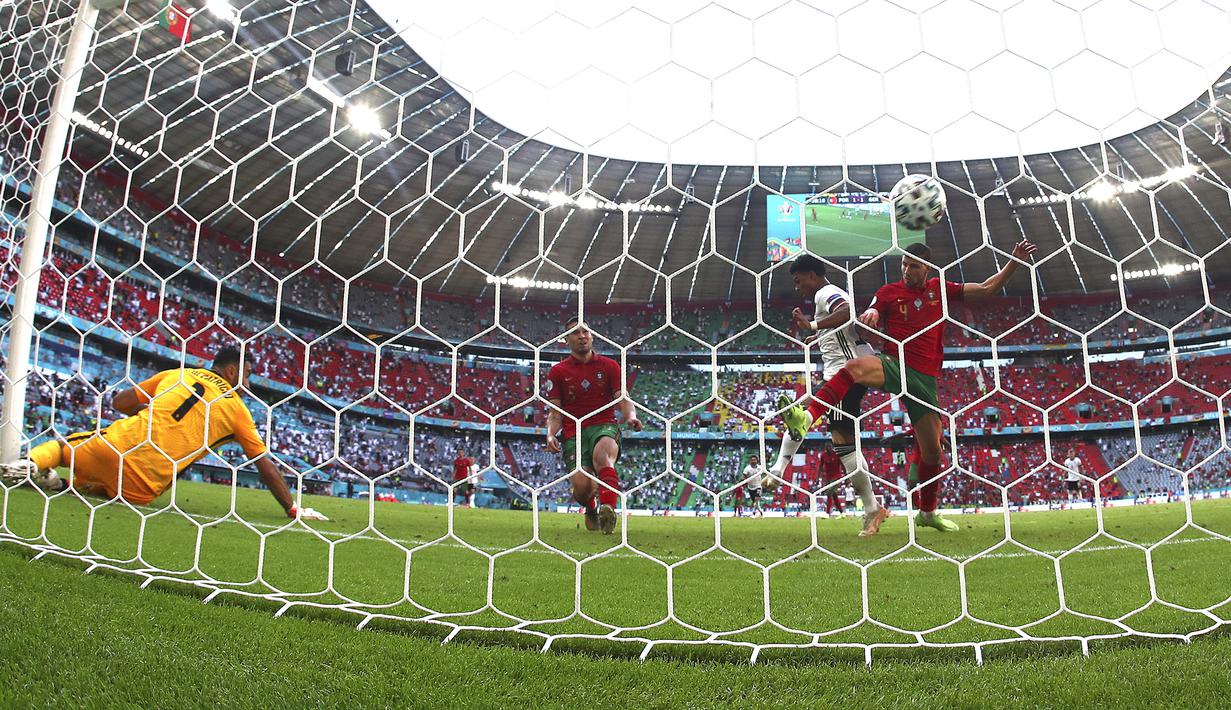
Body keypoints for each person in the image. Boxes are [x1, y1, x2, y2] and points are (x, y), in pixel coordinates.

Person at [781, 240, 1037, 532]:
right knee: (853, 368)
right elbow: (872, 313)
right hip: (894, 363)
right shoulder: (888, 292)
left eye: (913, 266)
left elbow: (986, 288)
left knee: (932, 453)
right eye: (904, 265)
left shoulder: (939, 288)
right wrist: (872, 316)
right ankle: (808, 416)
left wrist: (1014, 261)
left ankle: (926, 513)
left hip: (925, 378)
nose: (906, 270)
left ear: (926, 268)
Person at [0, 348, 326, 520]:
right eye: (248, 375)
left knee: (64, 446)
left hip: (116, 447)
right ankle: (59, 484)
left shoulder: (177, 374)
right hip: (145, 489)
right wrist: (291, 508)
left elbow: (120, 401)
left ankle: (31, 463)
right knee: (107, 485)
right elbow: (264, 465)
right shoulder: (238, 409)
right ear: (231, 371)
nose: (249, 383)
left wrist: (148, 413)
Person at [768, 253, 889, 537]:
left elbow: (846, 312)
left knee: (843, 444)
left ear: (812, 275)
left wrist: (811, 326)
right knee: (832, 436)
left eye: (799, 282)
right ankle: (777, 470)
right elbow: (843, 327)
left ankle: (872, 509)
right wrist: (819, 336)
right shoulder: (825, 295)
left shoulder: (826, 292)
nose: (798, 288)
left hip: (846, 375)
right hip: (840, 375)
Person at [545, 316, 642, 534]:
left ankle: (608, 509)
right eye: (575, 333)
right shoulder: (558, 372)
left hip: (604, 425)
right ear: (566, 339)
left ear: (592, 336)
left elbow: (622, 398)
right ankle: (591, 507)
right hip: (573, 432)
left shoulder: (609, 366)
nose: (582, 336)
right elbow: (555, 413)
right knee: (582, 488)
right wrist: (550, 434)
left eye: (585, 332)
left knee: (602, 456)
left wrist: (630, 417)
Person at [819, 442, 845, 517]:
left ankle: (827, 513)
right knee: (834, 495)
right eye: (827, 447)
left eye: (829, 447)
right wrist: (818, 477)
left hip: (836, 477)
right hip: (828, 478)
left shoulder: (837, 454)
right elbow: (820, 466)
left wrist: (846, 476)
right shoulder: (823, 455)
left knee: (829, 493)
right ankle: (842, 513)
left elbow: (842, 465)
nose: (828, 448)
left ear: (832, 447)